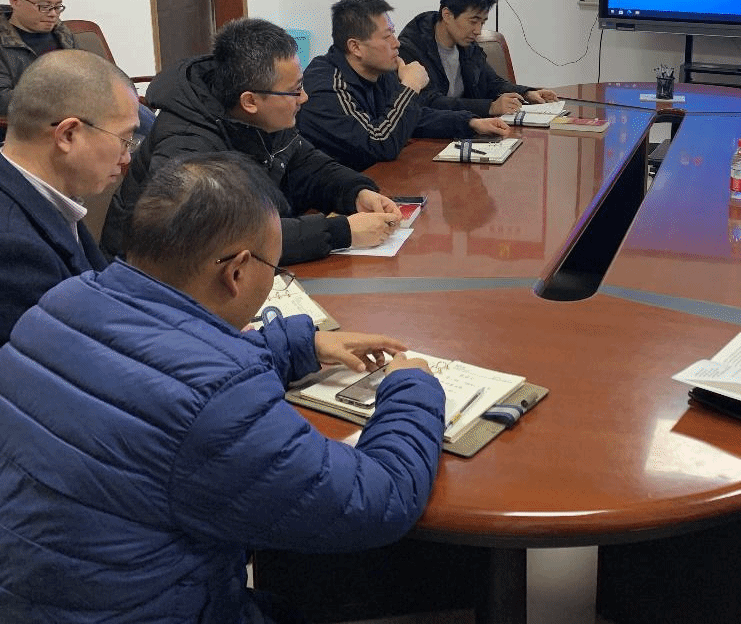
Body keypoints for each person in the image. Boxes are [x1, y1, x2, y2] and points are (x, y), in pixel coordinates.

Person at [0, 153, 444, 622]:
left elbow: (150, 367)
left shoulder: (60, 304)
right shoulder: (220, 400)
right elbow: (375, 501)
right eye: (273, 266)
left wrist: (299, 344)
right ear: (236, 272)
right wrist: (411, 388)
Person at [101, 18, 404, 264]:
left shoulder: (262, 114)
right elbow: (219, 238)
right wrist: (342, 232)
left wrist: (355, 192)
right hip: (150, 283)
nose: (304, 98)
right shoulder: (186, 143)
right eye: (295, 90)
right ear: (250, 101)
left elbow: (306, 162)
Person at [0, 49, 140, 343]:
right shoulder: (14, 247)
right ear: (68, 135)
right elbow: (76, 353)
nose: (127, 157)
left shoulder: (43, 194)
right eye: (125, 139)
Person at [298, 0, 511, 171]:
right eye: (386, 37)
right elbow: (378, 143)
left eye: (393, 32)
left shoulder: (379, 71)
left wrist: (469, 123)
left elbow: (413, 117)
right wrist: (410, 87)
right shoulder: (327, 85)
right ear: (355, 47)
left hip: (373, 181)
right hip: (330, 198)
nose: (396, 43)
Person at [397, 0, 558, 116]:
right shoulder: (411, 48)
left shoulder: (467, 45)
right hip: (429, 135)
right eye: (473, 21)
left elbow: (490, 82)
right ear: (447, 15)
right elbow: (428, 102)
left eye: (482, 22)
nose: (478, 31)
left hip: (467, 128)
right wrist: (490, 107)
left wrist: (527, 93)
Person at [1, 0, 76, 114]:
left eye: (57, 7)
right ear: (15, 2)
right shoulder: (3, 42)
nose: (53, 14)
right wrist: (60, 97)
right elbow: (3, 100)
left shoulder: (62, 33)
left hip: (76, 113)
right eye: (44, 6)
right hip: (29, 122)